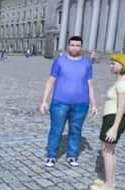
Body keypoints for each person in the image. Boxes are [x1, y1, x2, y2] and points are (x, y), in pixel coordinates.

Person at [39, 35, 97, 168]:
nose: (75, 48)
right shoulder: (59, 61)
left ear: (81, 47)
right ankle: (51, 155)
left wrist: (93, 104)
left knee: (76, 130)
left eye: (77, 45)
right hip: (60, 102)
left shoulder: (86, 63)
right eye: (72, 45)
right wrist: (44, 101)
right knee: (56, 130)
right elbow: (51, 81)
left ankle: (72, 155)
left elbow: (90, 84)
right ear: (68, 46)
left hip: (81, 103)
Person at [91, 54, 125, 190]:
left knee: (107, 152)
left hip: (113, 119)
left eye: (113, 63)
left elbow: (121, 108)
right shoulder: (120, 82)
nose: (111, 66)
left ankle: (109, 184)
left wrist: (114, 127)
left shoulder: (122, 84)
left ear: (122, 65)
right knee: (110, 151)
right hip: (110, 118)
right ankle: (109, 179)